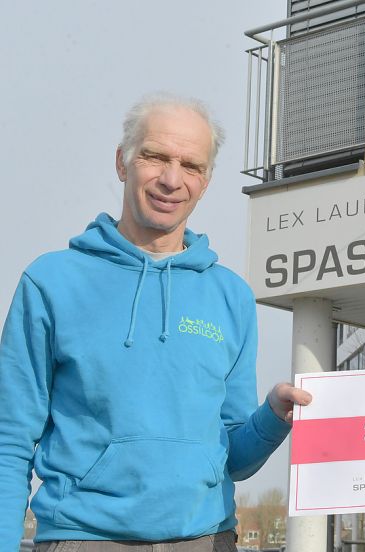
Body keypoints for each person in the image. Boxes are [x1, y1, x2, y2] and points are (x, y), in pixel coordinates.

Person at [0, 94, 312, 550]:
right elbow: (10, 441)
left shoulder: (231, 296)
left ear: (205, 182)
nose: (171, 179)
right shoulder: (51, 282)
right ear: (122, 162)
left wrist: (271, 419)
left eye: (191, 165)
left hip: (208, 538)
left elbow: (234, 459)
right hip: (85, 538)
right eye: (155, 156)